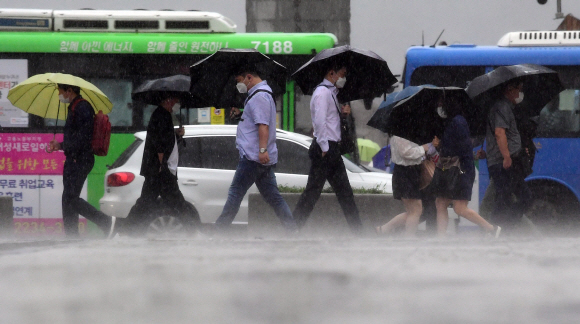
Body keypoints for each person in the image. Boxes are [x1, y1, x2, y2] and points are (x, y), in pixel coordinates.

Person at [214, 67, 298, 232]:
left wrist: (262, 150)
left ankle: (218, 232)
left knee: (235, 194)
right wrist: (241, 114)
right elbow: (256, 120)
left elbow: (263, 126)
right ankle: (292, 230)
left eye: (239, 81)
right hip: (259, 159)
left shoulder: (259, 97)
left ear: (249, 78)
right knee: (274, 197)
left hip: (253, 158)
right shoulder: (259, 96)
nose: (239, 85)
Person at [292, 62, 363, 234]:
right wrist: (324, 147)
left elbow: (329, 121)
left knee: (343, 192)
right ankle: (293, 227)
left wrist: (343, 115)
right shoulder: (323, 93)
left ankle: (358, 232)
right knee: (314, 192)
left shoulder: (331, 94)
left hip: (331, 149)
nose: (343, 78)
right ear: (332, 73)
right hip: (326, 148)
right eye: (342, 74)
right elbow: (319, 121)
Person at [48, 84, 115, 238]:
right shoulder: (74, 108)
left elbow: (84, 137)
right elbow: (76, 137)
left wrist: (68, 147)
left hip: (80, 159)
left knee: (71, 198)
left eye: (60, 91)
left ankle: (105, 221)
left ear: (69, 91)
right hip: (75, 158)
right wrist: (60, 145)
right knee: (68, 198)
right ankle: (72, 236)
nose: (59, 94)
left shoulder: (82, 107)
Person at [125, 95, 201, 232]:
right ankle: (192, 230)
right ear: (168, 100)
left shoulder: (162, 115)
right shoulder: (162, 115)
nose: (177, 103)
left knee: (147, 201)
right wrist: (161, 164)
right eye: (176, 100)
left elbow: (164, 138)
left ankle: (128, 228)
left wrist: (176, 134)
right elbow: (159, 142)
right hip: (161, 170)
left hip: (157, 169)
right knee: (176, 202)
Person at [432, 97, 501, 237]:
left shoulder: (457, 121)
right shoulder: (451, 122)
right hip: (452, 168)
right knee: (440, 203)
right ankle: (440, 238)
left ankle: (492, 229)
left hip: (461, 170)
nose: (439, 106)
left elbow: (462, 148)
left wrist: (440, 145)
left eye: (441, 103)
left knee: (459, 207)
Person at [485, 80, 532, 231]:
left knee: (508, 198)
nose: (520, 93)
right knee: (510, 198)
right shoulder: (502, 107)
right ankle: (498, 229)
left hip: (506, 161)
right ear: (510, 89)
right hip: (502, 163)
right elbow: (500, 133)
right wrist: (506, 156)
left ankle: (501, 228)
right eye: (519, 89)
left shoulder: (506, 107)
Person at [375, 135, 438, 237]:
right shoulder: (400, 134)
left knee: (413, 211)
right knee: (416, 210)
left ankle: (384, 229)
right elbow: (406, 152)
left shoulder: (408, 132)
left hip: (411, 172)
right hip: (405, 173)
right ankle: (409, 237)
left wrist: (427, 147)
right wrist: (424, 148)